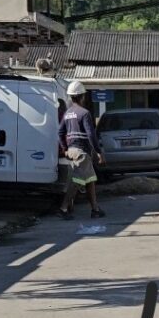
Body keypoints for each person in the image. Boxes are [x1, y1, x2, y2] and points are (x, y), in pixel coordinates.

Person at [58, 81, 105, 220]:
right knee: (77, 181)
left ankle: (95, 209)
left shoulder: (67, 114)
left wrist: (65, 149)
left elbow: (60, 132)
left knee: (90, 179)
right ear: (82, 96)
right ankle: (63, 208)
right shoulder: (85, 113)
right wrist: (98, 151)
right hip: (82, 153)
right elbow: (91, 134)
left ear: (71, 97)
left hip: (72, 151)